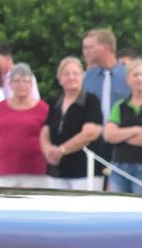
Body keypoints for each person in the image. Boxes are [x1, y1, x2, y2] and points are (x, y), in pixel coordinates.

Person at [41, 56, 104, 191]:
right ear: (60, 78)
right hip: (57, 170)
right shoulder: (54, 102)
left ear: (82, 76)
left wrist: (62, 150)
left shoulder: (91, 101)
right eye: (66, 74)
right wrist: (48, 150)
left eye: (75, 73)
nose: (71, 77)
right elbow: (45, 130)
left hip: (84, 170)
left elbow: (89, 133)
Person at [102, 59, 142, 194]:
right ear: (127, 80)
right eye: (135, 75)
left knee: (140, 210)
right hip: (118, 165)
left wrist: (121, 135)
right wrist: (136, 130)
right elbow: (108, 135)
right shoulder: (120, 105)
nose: (139, 78)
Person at [0, 63, 50, 188]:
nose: (21, 85)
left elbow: (48, 137)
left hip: (35, 171)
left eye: (25, 81)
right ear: (10, 84)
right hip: (3, 170)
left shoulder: (44, 109)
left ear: (31, 84)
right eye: (17, 81)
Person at [82, 30, 129, 129]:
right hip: (94, 139)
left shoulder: (129, 76)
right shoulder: (86, 78)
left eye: (90, 47)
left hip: (123, 136)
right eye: (84, 48)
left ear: (105, 47)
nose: (86, 51)